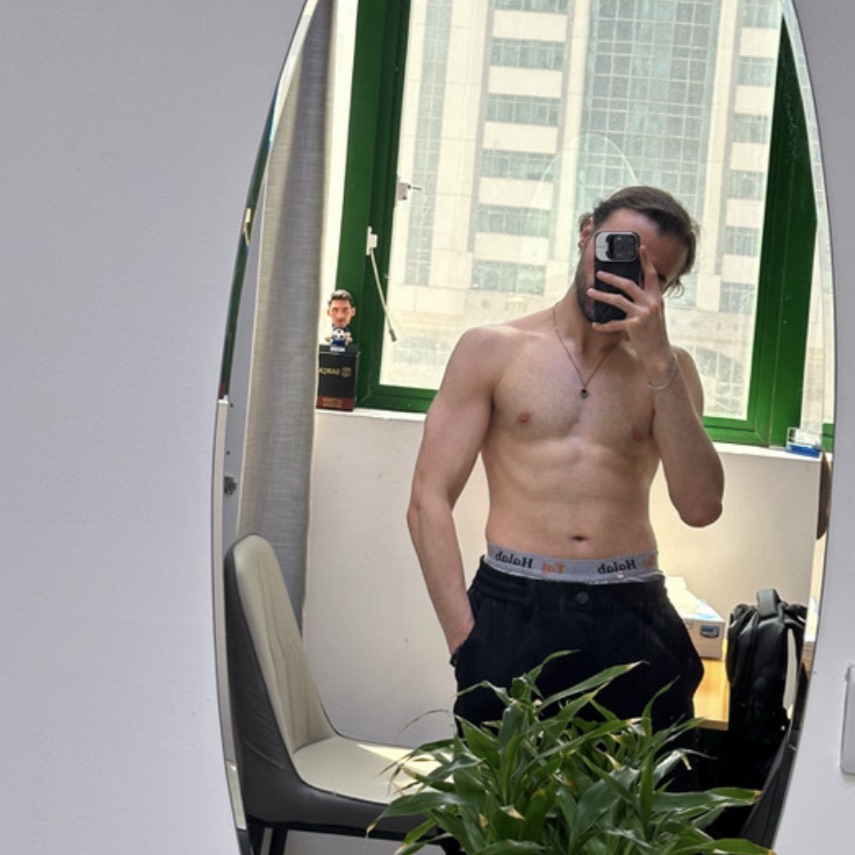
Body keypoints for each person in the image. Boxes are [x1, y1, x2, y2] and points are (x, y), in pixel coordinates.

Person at [407, 186, 724, 735]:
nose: (626, 277)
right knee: (503, 792)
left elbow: (700, 507)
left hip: (635, 610)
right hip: (515, 606)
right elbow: (427, 500)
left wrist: (657, 358)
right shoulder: (492, 349)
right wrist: (466, 641)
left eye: (652, 275)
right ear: (586, 235)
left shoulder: (671, 372)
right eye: (620, 250)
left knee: (643, 793)